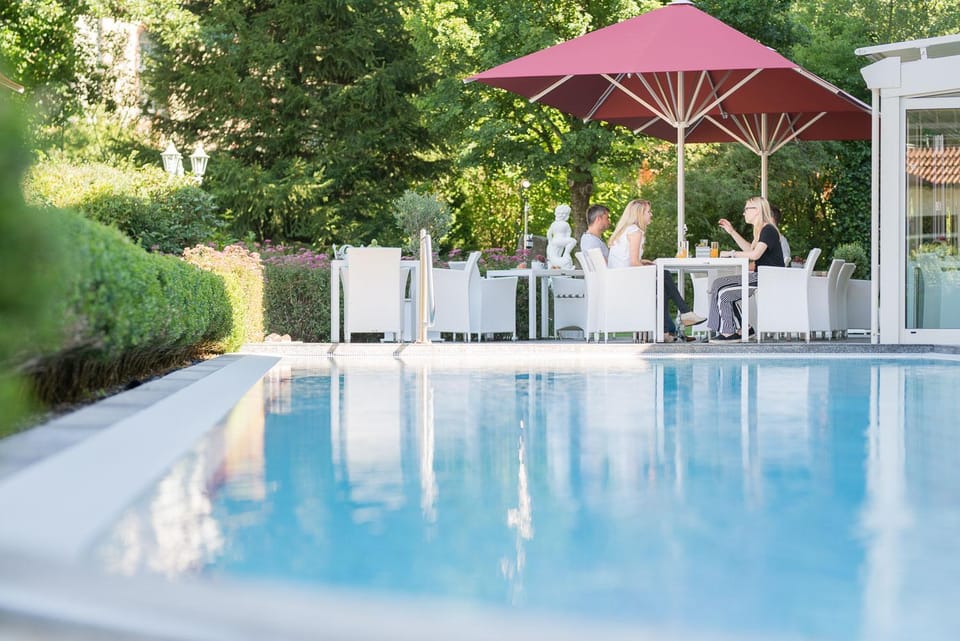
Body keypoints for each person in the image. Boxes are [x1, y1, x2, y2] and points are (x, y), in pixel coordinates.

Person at [607, 199, 705, 341]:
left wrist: (643, 262)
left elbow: (629, 260)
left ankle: (668, 331)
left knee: (662, 280)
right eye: (648, 212)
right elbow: (633, 262)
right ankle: (684, 315)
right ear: (640, 214)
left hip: (620, 279)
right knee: (663, 275)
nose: (651, 214)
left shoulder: (627, 230)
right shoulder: (635, 231)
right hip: (625, 282)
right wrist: (643, 265)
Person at [707, 196, 784, 341]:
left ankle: (729, 332)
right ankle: (744, 329)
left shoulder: (768, 229)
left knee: (724, 293)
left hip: (766, 279)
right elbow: (750, 248)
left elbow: (755, 254)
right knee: (718, 284)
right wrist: (732, 232)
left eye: (746, 209)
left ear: (757, 210)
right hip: (761, 277)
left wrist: (731, 254)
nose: (744, 213)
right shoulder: (762, 230)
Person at [546, 204, 577, 269]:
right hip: (560, 240)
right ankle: (566, 253)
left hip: (555, 241)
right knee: (573, 241)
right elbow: (569, 233)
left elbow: (549, 234)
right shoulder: (565, 224)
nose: (561, 215)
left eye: (563, 214)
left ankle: (561, 264)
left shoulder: (554, 224)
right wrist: (551, 243)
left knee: (558, 254)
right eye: (560, 213)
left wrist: (551, 242)